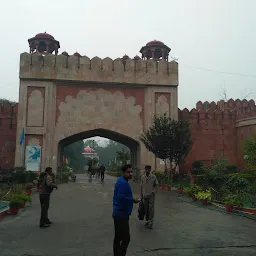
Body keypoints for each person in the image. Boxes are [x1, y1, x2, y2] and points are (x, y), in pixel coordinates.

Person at [112, 164, 140, 256]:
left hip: (118, 213)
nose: (130, 174)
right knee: (126, 239)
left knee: (118, 238)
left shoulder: (121, 181)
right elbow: (121, 197)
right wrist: (133, 200)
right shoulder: (123, 183)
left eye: (131, 171)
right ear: (123, 172)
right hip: (121, 214)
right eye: (128, 172)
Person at [140, 165, 159, 229]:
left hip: (151, 196)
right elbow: (141, 187)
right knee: (146, 209)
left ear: (150, 170)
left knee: (151, 209)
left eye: (148, 169)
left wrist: (153, 192)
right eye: (146, 169)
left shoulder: (153, 177)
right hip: (145, 196)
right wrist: (141, 196)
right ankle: (148, 221)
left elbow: (157, 185)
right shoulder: (142, 177)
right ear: (145, 170)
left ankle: (151, 222)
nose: (147, 170)